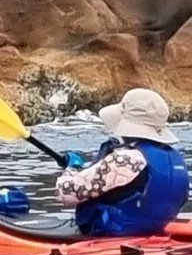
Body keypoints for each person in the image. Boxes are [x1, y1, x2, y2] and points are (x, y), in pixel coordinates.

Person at [56, 87, 188, 236]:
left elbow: (66, 194)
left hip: (115, 236)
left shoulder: (125, 160)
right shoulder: (176, 159)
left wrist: (72, 167)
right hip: (156, 233)